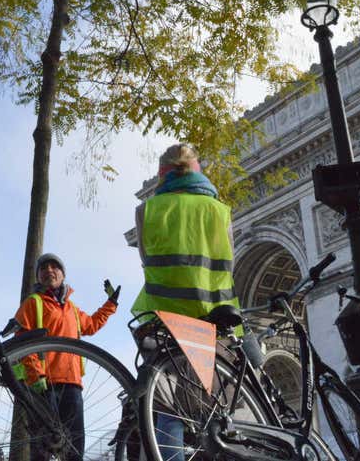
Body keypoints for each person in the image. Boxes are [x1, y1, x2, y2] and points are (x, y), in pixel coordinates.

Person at [130, 143, 241, 461]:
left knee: (168, 407)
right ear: (198, 170)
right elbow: (229, 263)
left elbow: (146, 259)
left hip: (163, 319)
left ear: (162, 173)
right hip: (212, 318)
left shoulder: (147, 211)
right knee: (216, 412)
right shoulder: (219, 210)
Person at [14, 252, 120, 461]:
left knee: (74, 448)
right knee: (42, 449)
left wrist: (111, 304)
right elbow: (22, 340)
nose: (49, 270)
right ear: (38, 277)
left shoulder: (72, 308)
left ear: (63, 275)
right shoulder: (33, 302)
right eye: (43, 268)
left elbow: (91, 325)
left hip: (72, 384)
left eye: (54, 267)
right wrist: (35, 375)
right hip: (44, 385)